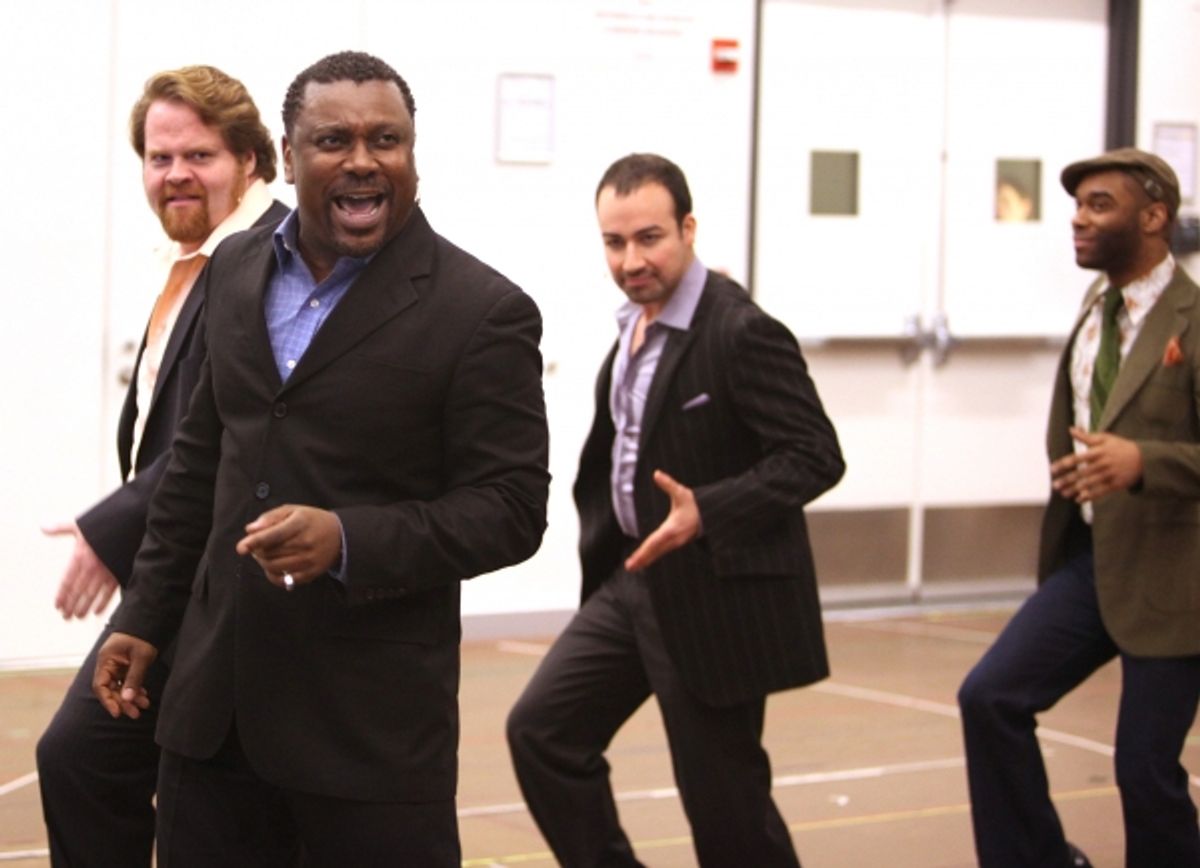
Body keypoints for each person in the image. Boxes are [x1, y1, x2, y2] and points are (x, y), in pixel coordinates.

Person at [91, 50, 549, 867]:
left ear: (413, 154)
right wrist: (145, 618)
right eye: (334, 140)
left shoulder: (482, 312)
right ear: (291, 157)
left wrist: (349, 541)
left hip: (366, 739)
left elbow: (510, 509)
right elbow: (199, 470)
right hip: (215, 713)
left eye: (388, 140)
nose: (364, 161)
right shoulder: (233, 270)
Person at [507, 153, 844, 867]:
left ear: (689, 229)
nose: (632, 259)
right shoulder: (632, 325)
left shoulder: (741, 331)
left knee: (725, 806)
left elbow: (816, 454)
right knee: (542, 732)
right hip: (629, 582)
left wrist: (710, 510)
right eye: (614, 242)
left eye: (650, 238)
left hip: (712, 593)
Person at [36, 65, 287, 867]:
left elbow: (214, 440)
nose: (175, 173)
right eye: (158, 157)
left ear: (250, 160)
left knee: (110, 766)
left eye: (200, 156)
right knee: (83, 759)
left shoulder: (262, 261)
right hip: (174, 569)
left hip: (225, 583)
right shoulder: (201, 258)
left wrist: (111, 528)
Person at [958, 147, 1200, 868]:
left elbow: (1145, 450)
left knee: (1144, 773)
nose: (1078, 219)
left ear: (1154, 217)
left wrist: (1144, 461)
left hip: (1175, 579)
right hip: (1092, 563)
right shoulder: (1097, 308)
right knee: (991, 698)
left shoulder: (1192, 316)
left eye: (1100, 205)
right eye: (1077, 205)